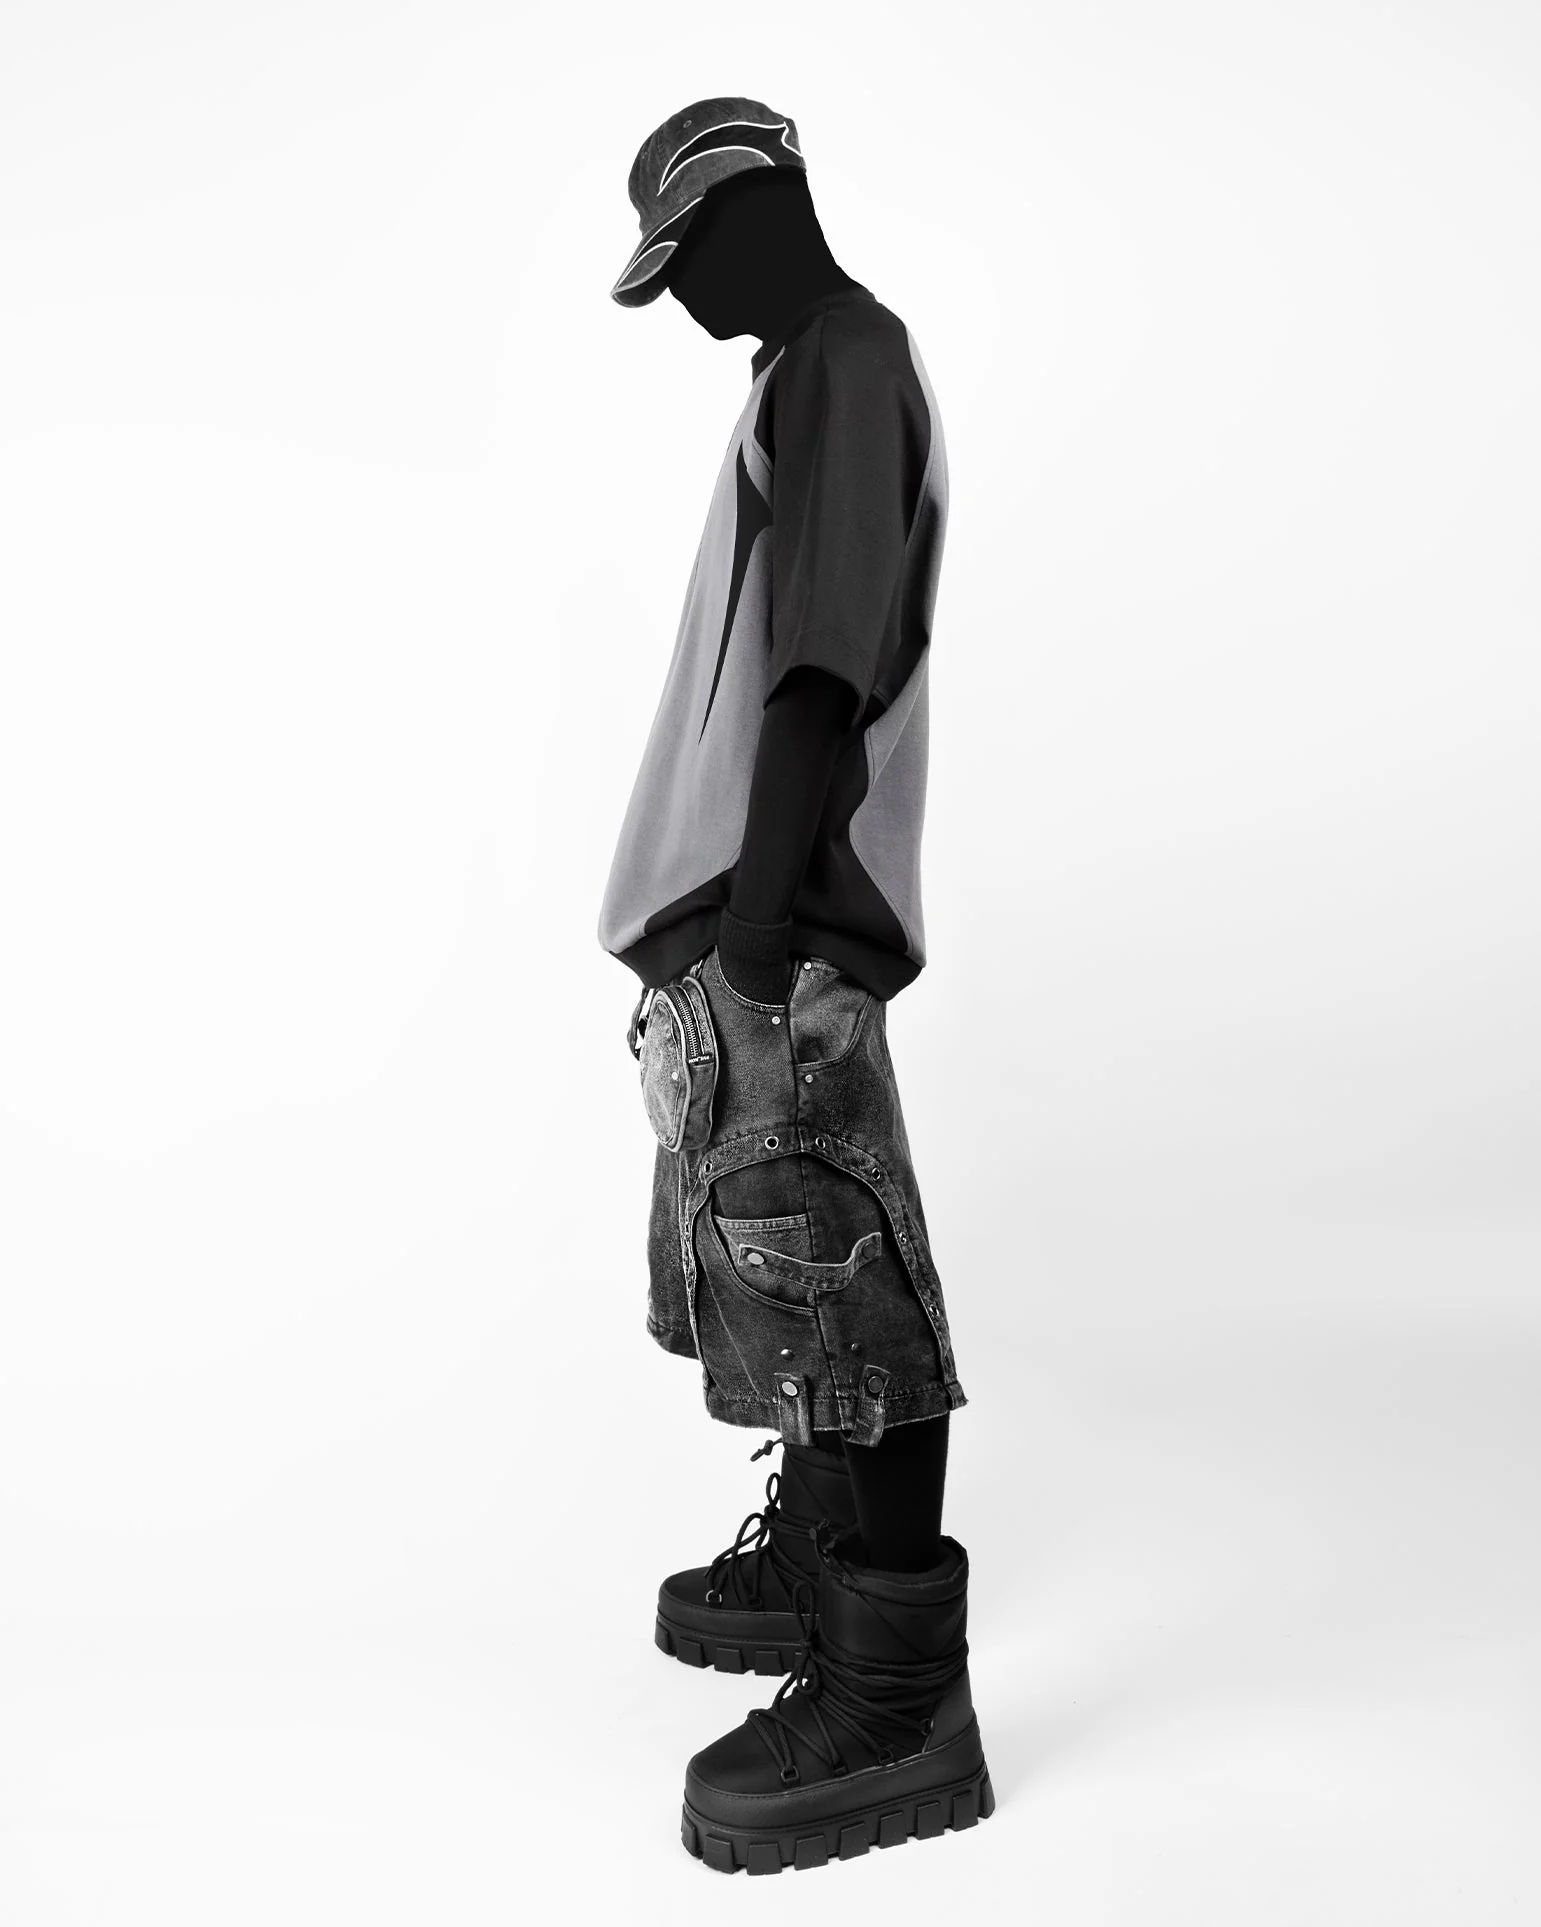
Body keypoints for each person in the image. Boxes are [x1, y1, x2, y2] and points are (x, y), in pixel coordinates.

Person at [598, 97, 993, 1875]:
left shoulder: (845, 360)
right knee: (788, 1290)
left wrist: (761, 935)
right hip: (741, 932)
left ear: (759, 209)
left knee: (845, 1304)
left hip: (787, 930)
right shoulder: (796, 371)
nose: (682, 300)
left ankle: (897, 1704)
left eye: (687, 258)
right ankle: (825, 1576)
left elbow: (823, 663)